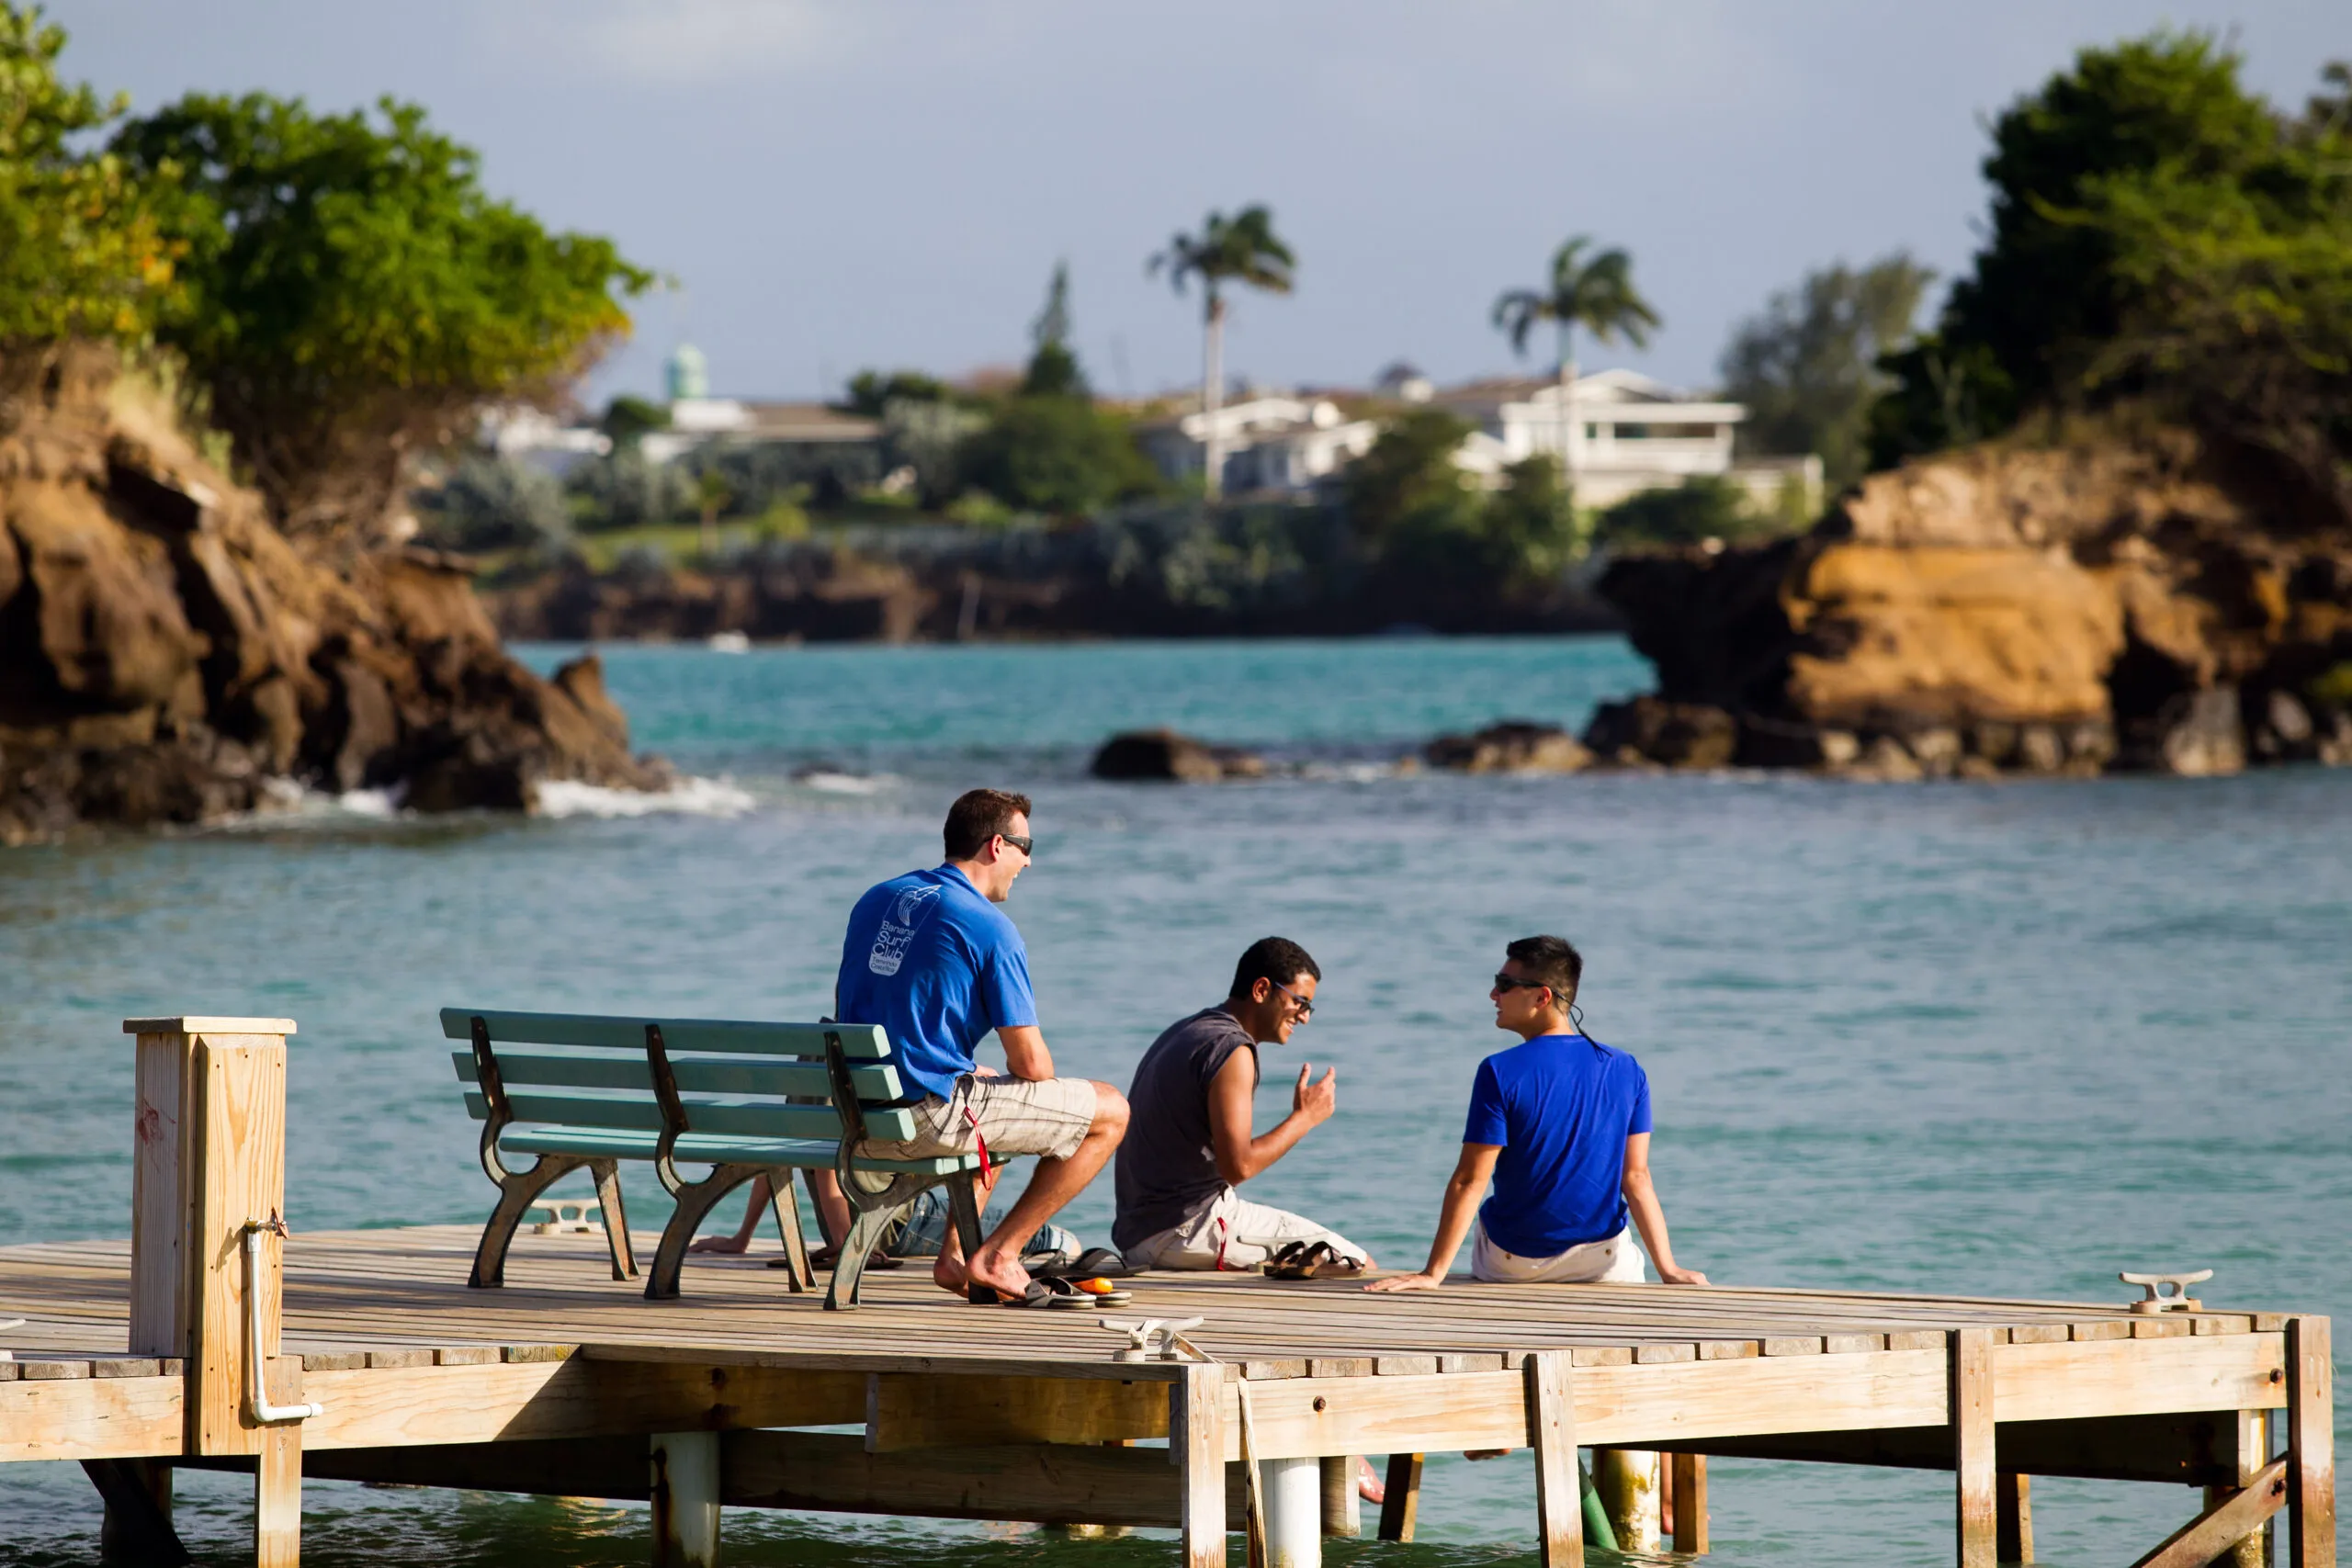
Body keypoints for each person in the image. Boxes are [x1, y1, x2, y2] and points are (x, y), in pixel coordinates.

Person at [835, 787, 1129, 1305]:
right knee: (1111, 1111)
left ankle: (954, 1257)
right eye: (1025, 846)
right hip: (921, 1118)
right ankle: (999, 1255)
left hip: (854, 1114)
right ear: (996, 846)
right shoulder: (990, 927)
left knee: (989, 1087)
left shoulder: (877, 898)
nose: (1029, 861)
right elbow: (1033, 1064)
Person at [1369, 935, 1704, 1292]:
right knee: (1626, 1254)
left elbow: (1470, 1179)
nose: (1493, 995)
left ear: (1542, 996)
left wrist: (1432, 1273)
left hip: (1514, 1263)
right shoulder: (1626, 1068)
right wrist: (1668, 1268)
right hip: (1600, 1260)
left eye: (1504, 985)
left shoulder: (1499, 1070)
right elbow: (1636, 1177)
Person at [1113, 937, 1372, 1272]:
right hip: (1190, 1230)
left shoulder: (1187, 1030)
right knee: (1360, 1266)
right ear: (1262, 990)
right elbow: (1239, 1167)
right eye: (1299, 1002)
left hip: (1139, 1235)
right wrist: (1305, 1118)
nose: (1305, 1017)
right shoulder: (1232, 1050)